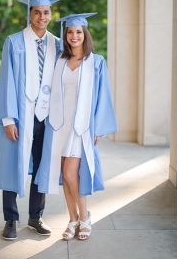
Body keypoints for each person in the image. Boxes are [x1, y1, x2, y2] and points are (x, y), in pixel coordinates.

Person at [35, 13, 117, 241]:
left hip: (81, 127)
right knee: (63, 173)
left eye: (78, 32)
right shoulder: (59, 61)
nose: (74, 36)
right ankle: (72, 220)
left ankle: (85, 218)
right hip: (59, 125)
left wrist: (98, 128)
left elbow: (103, 97)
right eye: (70, 32)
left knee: (72, 174)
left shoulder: (96, 62)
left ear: (85, 35)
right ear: (66, 35)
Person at [0, 0, 62, 240]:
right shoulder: (14, 42)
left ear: (51, 15)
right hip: (21, 116)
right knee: (12, 165)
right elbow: (6, 81)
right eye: (37, 12)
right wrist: (8, 119)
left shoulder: (58, 43)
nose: (42, 16)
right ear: (29, 14)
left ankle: (35, 217)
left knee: (42, 167)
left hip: (47, 117)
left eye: (46, 12)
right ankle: (10, 219)